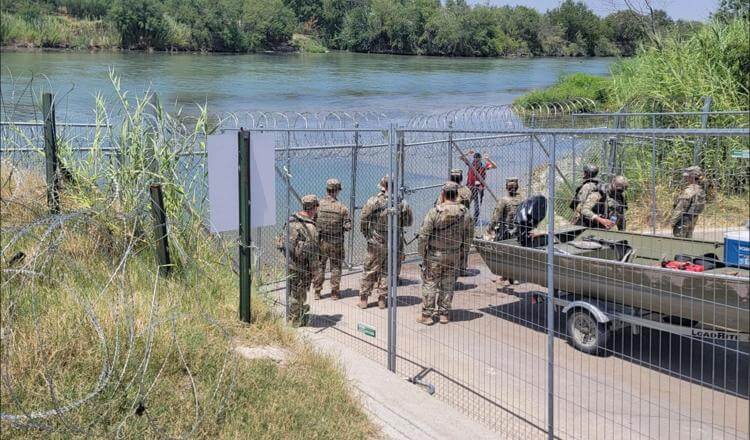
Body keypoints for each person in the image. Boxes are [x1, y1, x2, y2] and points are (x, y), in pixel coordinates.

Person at [417, 182, 473, 325]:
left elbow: (424, 234)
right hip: (454, 253)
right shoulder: (464, 211)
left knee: (430, 283)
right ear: (457, 195)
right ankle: (444, 314)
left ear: (442, 194)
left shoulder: (435, 211)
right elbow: (468, 235)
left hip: (435, 254)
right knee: (448, 283)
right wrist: (463, 252)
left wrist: (422, 252)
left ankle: (427, 315)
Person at [359, 176, 412, 309]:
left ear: (382, 186)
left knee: (370, 269)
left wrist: (367, 234)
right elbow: (408, 222)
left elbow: (364, 219)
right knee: (388, 271)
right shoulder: (402, 202)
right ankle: (382, 299)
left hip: (377, 240)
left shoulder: (374, 201)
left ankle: (364, 299)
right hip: (394, 241)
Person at [277, 194, 320, 326]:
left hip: (288, 262)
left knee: (292, 289)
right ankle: (294, 321)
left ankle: (296, 312)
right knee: (298, 293)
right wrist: (316, 273)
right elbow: (312, 254)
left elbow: (281, 241)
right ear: (315, 207)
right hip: (301, 266)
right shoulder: (310, 228)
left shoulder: (291, 219)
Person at [313, 178, 352, 301]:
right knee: (336, 267)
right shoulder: (342, 208)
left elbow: (312, 222)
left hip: (321, 241)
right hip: (336, 242)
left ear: (327, 190)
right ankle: (334, 293)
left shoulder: (318, 206)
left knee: (320, 266)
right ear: (338, 191)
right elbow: (348, 226)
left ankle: (317, 292)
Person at [447, 168, 473, 276]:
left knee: (449, 244)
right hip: (464, 219)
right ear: (461, 178)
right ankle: (462, 268)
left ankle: (451, 267)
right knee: (464, 244)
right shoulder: (467, 190)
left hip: (450, 221)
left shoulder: (447, 189)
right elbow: (468, 202)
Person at [670, 166, 706, 238]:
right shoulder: (700, 190)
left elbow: (681, 208)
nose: (686, 178)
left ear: (691, 177)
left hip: (683, 221)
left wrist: (672, 222)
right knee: (688, 241)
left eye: (687, 176)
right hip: (693, 220)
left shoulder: (689, 191)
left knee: (679, 243)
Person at [463, 150, 497, 224]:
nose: (476, 163)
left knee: (477, 206)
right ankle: (465, 220)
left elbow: (495, 166)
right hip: (469, 188)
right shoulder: (471, 164)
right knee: (465, 204)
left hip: (479, 189)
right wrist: (467, 153)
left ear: (480, 160)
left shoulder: (483, 166)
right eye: (475, 160)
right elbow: (461, 157)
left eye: (478, 161)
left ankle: (474, 222)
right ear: (474, 159)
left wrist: (488, 159)